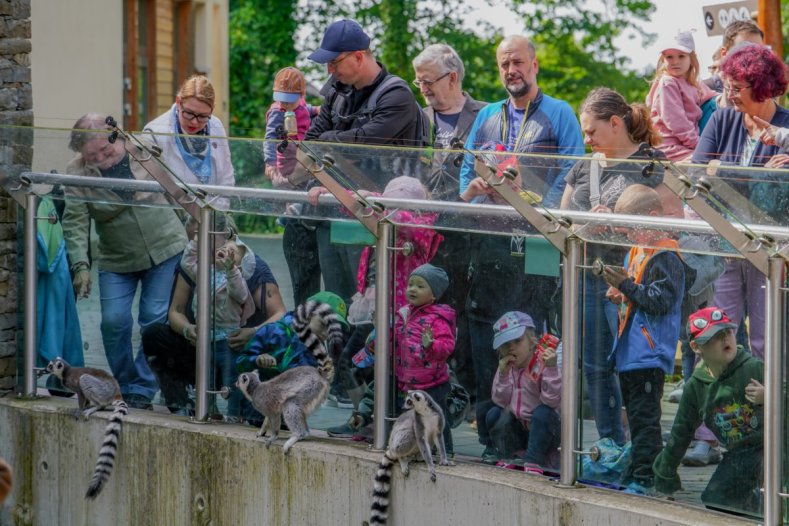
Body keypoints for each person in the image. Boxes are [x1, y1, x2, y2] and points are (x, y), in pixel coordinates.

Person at [457, 35, 582, 461]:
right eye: (504, 64)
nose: (511, 71)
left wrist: (534, 196)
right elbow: (464, 171)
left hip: (536, 244)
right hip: (490, 243)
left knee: (534, 335)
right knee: (484, 335)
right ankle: (493, 437)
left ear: (535, 66)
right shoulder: (489, 116)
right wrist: (472, 189)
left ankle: (541, 440)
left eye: (518, 63)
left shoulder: (559, 113)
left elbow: (573, 174)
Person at [560, 87, 683, 446]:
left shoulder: (653, 163)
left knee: (633, 367)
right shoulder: (583, 167)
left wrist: (617, 221)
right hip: (587, 274)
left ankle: (641, 447)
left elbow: (673, 221)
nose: (586, 139)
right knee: (596, 366)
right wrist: (587, 223)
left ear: (615, 123)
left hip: (637, 282)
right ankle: (610, 444)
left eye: (591, 131)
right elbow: (564, 220)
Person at [62, 113, 188, 409]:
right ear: (81, 154)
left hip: (166, 246)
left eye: (107, 150)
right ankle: (125, 383)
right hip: (116, 257)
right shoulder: (76, 173)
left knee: (154, 317)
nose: (104, 159)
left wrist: (194, 227)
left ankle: (143, 387)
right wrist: (81, 266)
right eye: (93, 156)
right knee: (113, 321)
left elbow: (178, 187)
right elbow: (76, 223)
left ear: (114, 136)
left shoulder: (144, 148)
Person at [304, 19, 425, 307]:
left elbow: (362, 144)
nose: (329, 71)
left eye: (334, 62)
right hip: (336, 208)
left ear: (359, 56)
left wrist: (330, 138)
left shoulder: (397, 94)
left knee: (372, 306)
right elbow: (311, 139)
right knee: (337, 303)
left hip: (379, 218)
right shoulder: (336, 88)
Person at [692, 44, 789, 361]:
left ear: (761, 87)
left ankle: (770, 403)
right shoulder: (722, 120)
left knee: (767, 337)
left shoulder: (786, 127)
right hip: (725, 245)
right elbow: (696, 172)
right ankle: (722, 404)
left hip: (770, 251)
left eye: (736, 88)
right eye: (727, 87)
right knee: (720, 334)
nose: (728, 95)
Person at [143, 220, 286, 417]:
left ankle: (239, 414)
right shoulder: (197, 264)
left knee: (239, 387)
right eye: (191, 223)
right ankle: (186, 404)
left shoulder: (253, 267)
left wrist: (252, 333)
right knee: (153, 335)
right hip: (201, 344)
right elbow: (175, 312)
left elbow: (280, 314)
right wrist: (188, 330)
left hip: (238, 347)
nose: (192, 227)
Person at [412, 43, 486, 403]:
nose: (422, 88)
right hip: (425, 232)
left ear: (452, 77)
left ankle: (469, 392)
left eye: (427, 81)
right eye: (418, 82)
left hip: (470, 232)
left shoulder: (486, 116)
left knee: (466, 312)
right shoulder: (417, 117)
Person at [600, 184, 686, 495]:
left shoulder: (667, 256)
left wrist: (626, 286)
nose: (627, 236)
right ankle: (643, 470)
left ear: (651, 217)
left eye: (631, 229)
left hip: (649, 352)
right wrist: (619, 291)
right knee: (636, 418)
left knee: (645, 418)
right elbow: (636, 292)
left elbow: (661, 300)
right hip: (630, 351)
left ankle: (646, 478)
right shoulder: (638, 251)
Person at [653, 307, 764, 517]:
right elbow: (681, 431)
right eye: (716, 337)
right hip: (740, 453)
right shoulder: (696, 387)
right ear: (696, 347)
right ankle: (753, 505)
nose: (725, 339)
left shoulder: (753, 368)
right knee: (716, 500)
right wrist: (666, 473)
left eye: (727, 332)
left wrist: (770, 397)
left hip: (774, 446)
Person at [177, 216, 254, 420]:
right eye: (222, 250)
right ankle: (208, 410)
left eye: (232, 253)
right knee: (205, 378)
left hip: (228, 339)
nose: (225, 255)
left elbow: (241, 295)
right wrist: (199, 239)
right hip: (206, 337)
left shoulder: (237, 275)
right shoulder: (204, 271)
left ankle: (234, 415)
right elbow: (186, 262)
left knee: (232, 380)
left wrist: (230, 269)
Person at [264, 67, 322, 307]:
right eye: (281, 100)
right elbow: (269, 139)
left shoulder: (302, 107)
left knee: (303, 187)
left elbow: (309, 111)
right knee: (290, 186)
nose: (285, 105)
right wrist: (269, 163)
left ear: (300, 95)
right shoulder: (277, 114)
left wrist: (319, 110)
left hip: (303, 155)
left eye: (290, 100)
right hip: (286, 157)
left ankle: (293, 209)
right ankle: (289, 212)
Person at [484, 311, 561, 474]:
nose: (511, 347)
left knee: (542, 413)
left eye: (517, 341)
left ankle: (533, 461)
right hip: (520, 427)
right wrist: (503, 375)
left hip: (544, 430)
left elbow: (552, 402)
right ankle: (510, 457)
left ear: (532, 342)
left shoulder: (542, 362)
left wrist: (551, 368)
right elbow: (500, 401)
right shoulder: (506, 368)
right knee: (494, 413)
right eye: (505, 344)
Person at [143, 74, 235, 188]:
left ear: (212, 110)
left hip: (214, 204)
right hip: (175, 205)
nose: (194, 122)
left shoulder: (216, 125)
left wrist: (218, 206)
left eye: (203, 116)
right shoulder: (155, 134)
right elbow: (153, 189)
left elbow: (226, 178)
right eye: (189, 113)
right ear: (178, 102)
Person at [235, 291, 349, 380]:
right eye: (323, 324)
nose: (327, 334)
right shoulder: (273, 331)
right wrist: (257, 360)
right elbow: (240, 363)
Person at [645, 30, 716, 162]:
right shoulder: (668, 83)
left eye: (681, 56)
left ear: (691, 58)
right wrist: (699, 145)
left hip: (685, 143)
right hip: (669, 146)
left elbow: (712, 96)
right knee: (708, 164)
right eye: (669, 57)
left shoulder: (692, 82)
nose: (675, 61)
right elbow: (676, 121)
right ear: (663, 60)